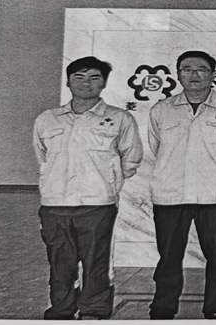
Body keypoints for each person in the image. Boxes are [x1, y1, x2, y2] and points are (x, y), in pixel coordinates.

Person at [33, 56, 143, 320]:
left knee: (97, 261)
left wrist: (108, 181)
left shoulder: (119, 118)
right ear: (68, 82)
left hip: (97, 203)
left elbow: (131, 158)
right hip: (55, 204)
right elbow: (42, 156)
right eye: (79, 77)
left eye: (94, 77)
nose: (86, 83)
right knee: (60, 262)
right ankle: (61, 309)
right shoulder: (48, 119)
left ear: (104, 83)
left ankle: (94, 310)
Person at [147, 51, 216, 320]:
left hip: (215, 196)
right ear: (178, 74)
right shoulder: (162, 109)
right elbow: (156, 147)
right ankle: (163, 307)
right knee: (168, 256)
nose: (194, 74)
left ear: (213, 74)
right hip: (170, 195)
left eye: (201, 69)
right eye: (186, 69)